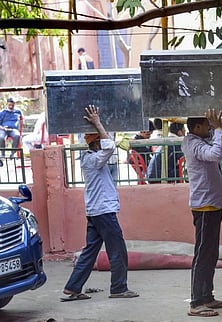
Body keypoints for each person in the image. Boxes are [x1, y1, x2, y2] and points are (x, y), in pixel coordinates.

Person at [61, 105, 138, 302]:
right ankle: (119, 288)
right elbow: (110, 146)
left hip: (96, 211)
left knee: (90, 251)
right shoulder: (94, 159)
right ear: (95, 143)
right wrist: (97, 122)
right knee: (117, 250)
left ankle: (73, 287)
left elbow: (108, 145)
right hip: (103, 212)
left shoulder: (90, 159)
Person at [181, 108, 222, 317]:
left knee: (211, 253)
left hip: (212, 205)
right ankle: (196, 302)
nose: (210, 127)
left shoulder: (198, 141)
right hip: (204, 207)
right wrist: (219, 130)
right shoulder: (194, 144)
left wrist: (219, 128)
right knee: (202, 255)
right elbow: (216, 154)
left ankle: (206, 296)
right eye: (207, 125)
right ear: (196, 127)